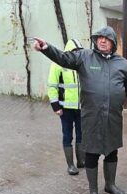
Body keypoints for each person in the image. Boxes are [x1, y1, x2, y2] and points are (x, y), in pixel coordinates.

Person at [33, 26, 127, 194]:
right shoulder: (84, 56)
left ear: (113, 42)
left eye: (106, 39)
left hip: (113, 117)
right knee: (91, 153)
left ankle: (110, 185)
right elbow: (63, 58)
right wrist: (46, 48)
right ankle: (93, 192)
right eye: (99, 38)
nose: (102, 41)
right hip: (91, 117)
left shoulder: (122, 63)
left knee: (112, 151)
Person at [47, 39, 84, 176]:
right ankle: (70, 165)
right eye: (75, 51)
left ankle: (81, 161)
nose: (78, 54)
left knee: (81, 135)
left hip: (81, 107)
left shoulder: (81, 63)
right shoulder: (58, 64)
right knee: (67, 136)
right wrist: (56, 106)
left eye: (79, 51)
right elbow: (52, 85)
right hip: (65, 108)